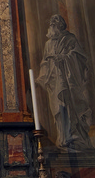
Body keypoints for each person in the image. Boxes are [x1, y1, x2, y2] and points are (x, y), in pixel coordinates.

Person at [37, 14, 91, 148]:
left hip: (66, 79)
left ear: (60, 26)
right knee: (57, 110)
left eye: (53, 25)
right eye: (50, 25)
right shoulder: (48, 44)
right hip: (53, 81)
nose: (51, 28)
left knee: (67, 106)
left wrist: (63, 58)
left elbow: (78, 56)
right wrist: (42, 78)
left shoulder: (69, 39)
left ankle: (72, 134)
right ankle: (62, 136)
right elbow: (44, 62)